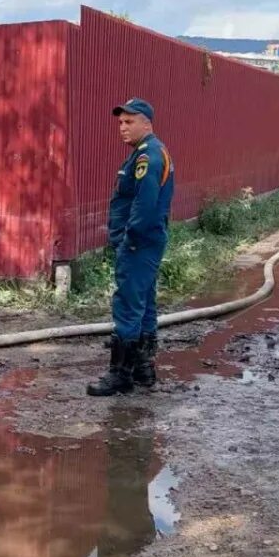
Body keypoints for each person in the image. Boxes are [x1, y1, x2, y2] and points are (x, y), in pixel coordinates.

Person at [87, 98, 175, 397]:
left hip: (139, 243)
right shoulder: (148, 152)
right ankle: (143, 369)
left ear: (146, 123)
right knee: (144, 302)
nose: (122, 128)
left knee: (127, 304)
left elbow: (144, 204)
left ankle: (120, 375)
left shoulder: (147, 157)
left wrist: (129, 239)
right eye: (121, 122)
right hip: (148, 241)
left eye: (129, 122)